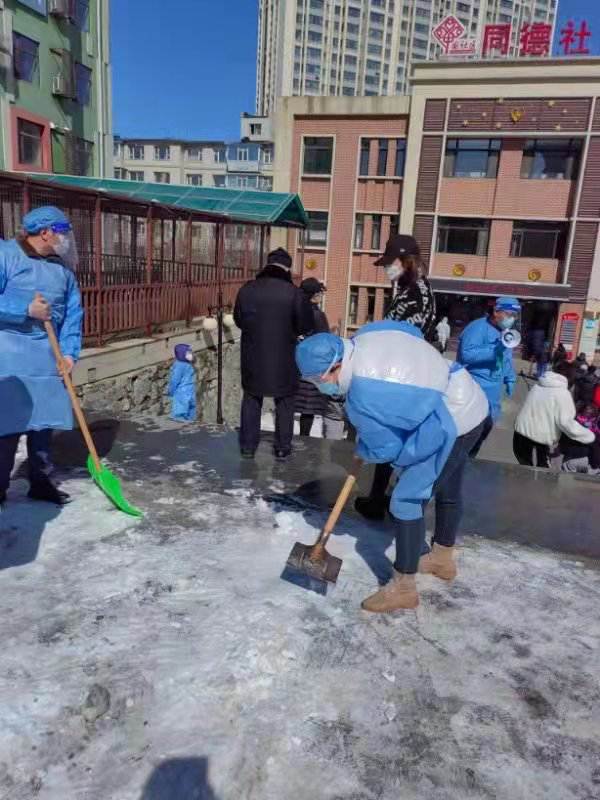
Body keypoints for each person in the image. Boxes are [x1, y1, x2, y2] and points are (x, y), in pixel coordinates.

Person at [296, 320, 489, 613]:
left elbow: (387, 448)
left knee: (406, 500)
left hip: (451, 418)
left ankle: (403, 589)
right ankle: (441, 559)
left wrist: (367, 445)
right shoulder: (367, 336)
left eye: (316, 380)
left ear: (334, 367)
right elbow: (410, 332)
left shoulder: (362, 396)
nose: (319, 387)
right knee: (449, 485)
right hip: (468, 396)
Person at [0, 206, 83, 507]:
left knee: (42, 428)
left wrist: (70, 353)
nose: (66, 239)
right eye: (63, 232)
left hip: (49, 361)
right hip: (9, 361)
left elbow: (73, 316)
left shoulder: (62, 271)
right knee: (5, 431)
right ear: (45, 231)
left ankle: (40, 481)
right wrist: (25, 309)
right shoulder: (6, 255)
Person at [354, 234, 437, 521]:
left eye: (390, 262)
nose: (387, 268)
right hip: (396, 373)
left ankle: (393, 503)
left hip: (404, 377)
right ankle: (380, 499)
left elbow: (404, 336)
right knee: (391, 440)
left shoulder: (418, 292)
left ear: (406, 261)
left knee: (398, 440)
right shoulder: (406, 288)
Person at [233, 247, 313, 461]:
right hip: (284, 358)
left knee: (252, 397)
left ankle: (248, 446)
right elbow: (306, 324)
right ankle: (282, 447)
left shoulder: (247, 290)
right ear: (287, 268)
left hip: (253, 356)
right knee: (285, 401)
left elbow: (239, 320)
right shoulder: (294, 293)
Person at [457, 296, 520, 457]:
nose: (511, 319)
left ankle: (468, 461)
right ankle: (458, 466)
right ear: (496, 312)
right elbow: (466, 355)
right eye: (508, 314)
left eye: (515, 315)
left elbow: (505, 359)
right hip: (475, 388)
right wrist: (493, 351)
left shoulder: (505, 333)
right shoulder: (477, 328)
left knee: (483, 433)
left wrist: (510, 377)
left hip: (493, 393)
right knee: (468, 435)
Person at [513, 362, 593, 469]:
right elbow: (567, 424)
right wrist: (590, 436)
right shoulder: (562, 394)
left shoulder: (538, 385)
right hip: (538, 439)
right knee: (542, 474)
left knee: (525, 470)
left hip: (519, 435)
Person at [294, 279, 330, 438]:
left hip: (292, 363)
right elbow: (325, 343)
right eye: (319, 292)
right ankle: (303, 439)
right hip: (310, 366)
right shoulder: (318, 315)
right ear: (314, 295)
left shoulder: (292, 311)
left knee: (289, 404)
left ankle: (285, 437)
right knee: (307, 408)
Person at [167, 344, 196, 421]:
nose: (190, 354)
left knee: (179, 417)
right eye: (188, 352)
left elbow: (174, 381)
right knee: (190, 417)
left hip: (181, 395)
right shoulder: (189, 365)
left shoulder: (179, 366)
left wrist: (170, 392)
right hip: (191, 393)